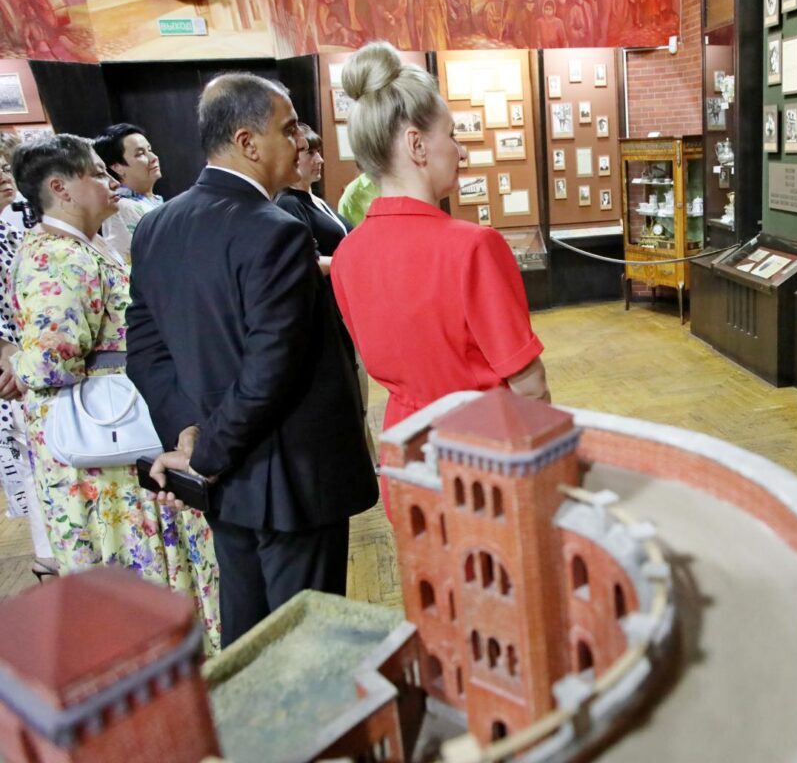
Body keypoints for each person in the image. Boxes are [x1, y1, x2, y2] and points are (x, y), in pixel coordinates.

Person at [127, 74, 377, 647]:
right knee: (306, 642)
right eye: (289, 129)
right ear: (247, 141)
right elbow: (271, 367)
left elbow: (146, 350)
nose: (300, 141)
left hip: (223, 476)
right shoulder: (275, 230)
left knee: (248, 630)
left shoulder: (156, 225)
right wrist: (206, 452)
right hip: (289, 476)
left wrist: (189, 435)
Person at [5, 134, 220, 650]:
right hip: (101, 448)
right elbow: (53, 359)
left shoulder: (82, 246)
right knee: (128, 555)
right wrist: (18, 365)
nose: (110, 182)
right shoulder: (58, 255)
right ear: (61, 188)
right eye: (98, 173)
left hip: (112, 438)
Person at [330, 41, 550, 439]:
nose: (461, 152)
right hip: (481, 444)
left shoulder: (346, 254)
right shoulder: (473, 247)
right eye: (451, 135)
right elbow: (529, 385)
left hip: (407, 442)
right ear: (417, 145)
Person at [0, 133, 52, 570]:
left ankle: (50, 558)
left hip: (27, 360)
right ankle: (47, 559)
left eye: (4, 167)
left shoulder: (18, 226)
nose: (2, 177)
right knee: (32, 464)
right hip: (13, 368)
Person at [275, 124, 351, 274]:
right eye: (310, 153)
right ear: (292, 158)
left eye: (318, 152)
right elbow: (306, 262)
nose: (320, 160)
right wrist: (353, 262)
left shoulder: (316, 199)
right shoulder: (289, 203)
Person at [93, 123, 164, 263]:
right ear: (117, 167)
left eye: (149, 150)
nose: (153, 157)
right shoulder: (121, 207)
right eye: (140, 154)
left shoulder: (148, 200)